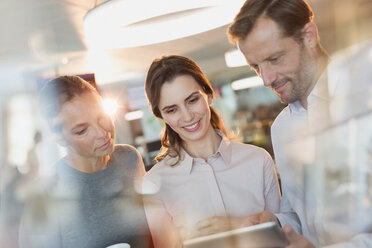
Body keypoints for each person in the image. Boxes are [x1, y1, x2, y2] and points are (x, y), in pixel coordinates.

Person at [228, 0, 372, 247]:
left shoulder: (363, 100)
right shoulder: (281, 128)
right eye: (255, 66)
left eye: (274, 58)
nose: (265, 79)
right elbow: (301, 215)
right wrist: (274, 221)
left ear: (308, 36)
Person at [142, 55, 281, 247]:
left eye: (192, 100)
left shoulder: (258, 160)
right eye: (172, 110)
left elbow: (282, 239)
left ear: (209, 95)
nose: (187, 116)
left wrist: (239, 227)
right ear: (161, 116)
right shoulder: (154, 183)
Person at [19, 76, 153, 248]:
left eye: (101, 117)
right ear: (60, 138)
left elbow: (152, 228)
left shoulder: (129, 158)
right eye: (82, 130)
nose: (101, 133)